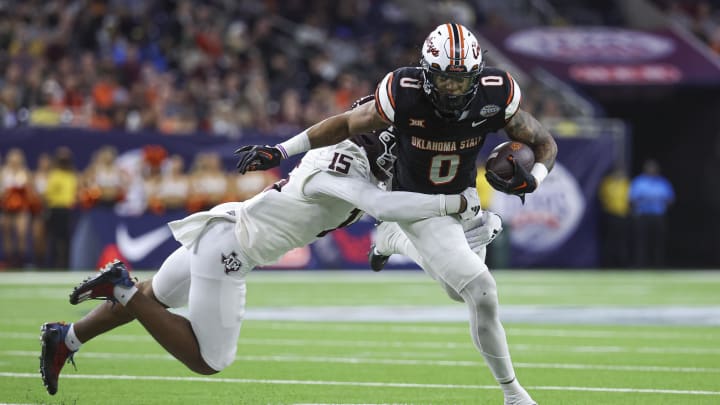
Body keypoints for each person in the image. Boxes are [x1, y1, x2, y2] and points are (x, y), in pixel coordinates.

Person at [233, 23, 558, 405]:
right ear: (425, 73)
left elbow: (544, 143)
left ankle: (391, 238)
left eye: (461, 80)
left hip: (461, 192)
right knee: (482, 290)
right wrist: (282, 151)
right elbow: (344, 124)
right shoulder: (404, 93)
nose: (452, 90)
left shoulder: (496, 92)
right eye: (443, 79)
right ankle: (514, 394)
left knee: (459, 292)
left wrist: (534, 179)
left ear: (476, 75)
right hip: (416, 200)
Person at [39, 129, 488, 396]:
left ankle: (68, 338)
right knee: (209, 360)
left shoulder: (348, 158)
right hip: (231, 252)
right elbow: (382, 205)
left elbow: (390, 211)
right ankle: (121, 289)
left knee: (155, 296)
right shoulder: (338, 171)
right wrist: (456, 202)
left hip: (224, 228)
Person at [629, 159, 675, 268]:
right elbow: (632, 199)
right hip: (643, 215)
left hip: (658, 215)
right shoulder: (639, 182)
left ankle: (658, 265)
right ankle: (641, 264)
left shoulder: (663, 182)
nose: (652, 170)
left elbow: (670, 199)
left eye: (654, 168)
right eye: (650, 168)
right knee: (641, 241)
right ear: (645, 169)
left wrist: (659, 204)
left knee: (658, 241)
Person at [598, 165, 631, 268]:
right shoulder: (608, 183)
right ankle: (608, 264)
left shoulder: (626, 184)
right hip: (611, 215)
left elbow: (631, 198)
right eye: (617, 172)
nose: (620, 174)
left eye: (621, 172)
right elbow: (603, 197)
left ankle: (622, 264)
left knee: (622, 241)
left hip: (623, 216)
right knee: (610, 241)